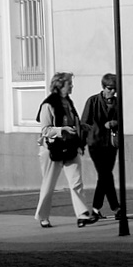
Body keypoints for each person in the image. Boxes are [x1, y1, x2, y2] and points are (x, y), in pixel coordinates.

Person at [34, 72, 98, 228]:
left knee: (76, 182)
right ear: (60, 85)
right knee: (48, 184)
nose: (72, 86)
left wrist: (81, 128)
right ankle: (43, 216)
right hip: (52, 149)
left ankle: (82, 215)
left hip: (70, 147)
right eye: (69, 83)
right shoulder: (48, 104)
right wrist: (61, 130)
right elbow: (45, 130)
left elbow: (72, 123)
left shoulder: (68, 103)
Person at [81, 73, 122, 220]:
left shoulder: (117, 102)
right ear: (103, 87)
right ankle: (112, 208)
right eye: (110, 88)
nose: (112, 91)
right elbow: (84, 123)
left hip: (111, 143)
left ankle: (100, 209)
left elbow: (122, 120)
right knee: (105, 175)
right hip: (96, 143)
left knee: (105, 176)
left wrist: (115, 123)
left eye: (115, 89)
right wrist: (82, 143)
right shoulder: (93, 101)